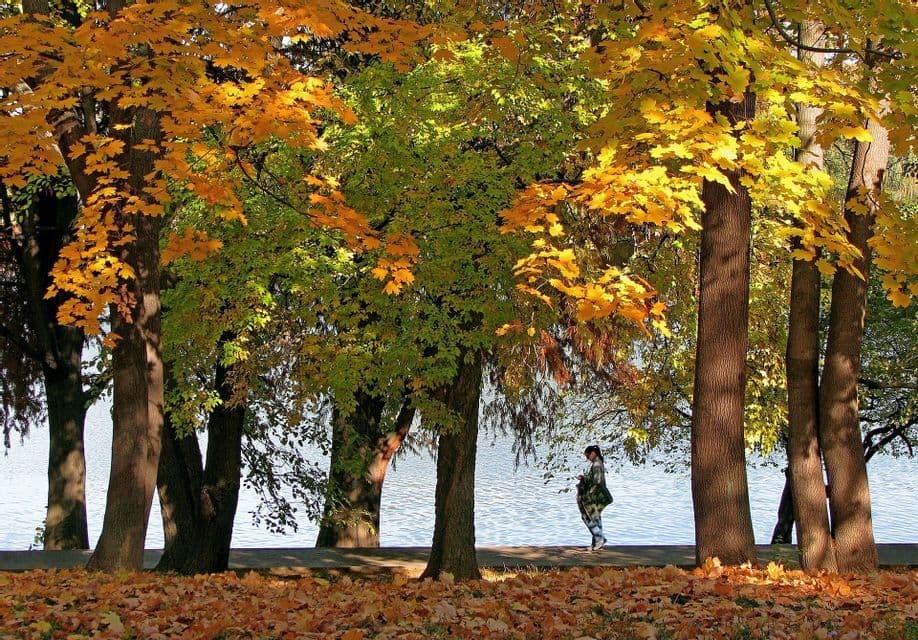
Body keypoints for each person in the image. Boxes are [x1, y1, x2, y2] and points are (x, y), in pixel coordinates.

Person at [576, 445, 613, 551]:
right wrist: (585, 478)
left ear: (593, 453)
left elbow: (597, 481)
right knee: (595, 517)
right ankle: (597, 542)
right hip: (598, 494)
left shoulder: (597, 464)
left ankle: (599, 538)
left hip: (595, 495)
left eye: (588, 455)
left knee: (587, 517)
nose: (587, 458)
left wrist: (586, 482)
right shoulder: (598, 463)